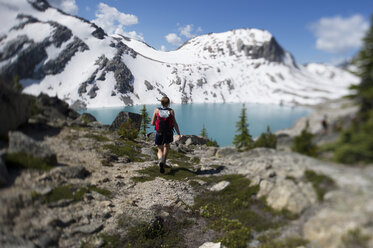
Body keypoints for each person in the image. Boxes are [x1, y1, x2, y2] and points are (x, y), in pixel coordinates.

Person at [151, 96, 181, 173]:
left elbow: (152, 123)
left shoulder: (157, 110)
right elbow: (174, 123)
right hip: (168, 132)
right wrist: (178, 134)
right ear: (168, 103)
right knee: (166, 146)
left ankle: (160, 160)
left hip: (159, 132)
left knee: (159, 148)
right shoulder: (171, 111)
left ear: (161, 103)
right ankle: (164, 161)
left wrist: (156, 123)